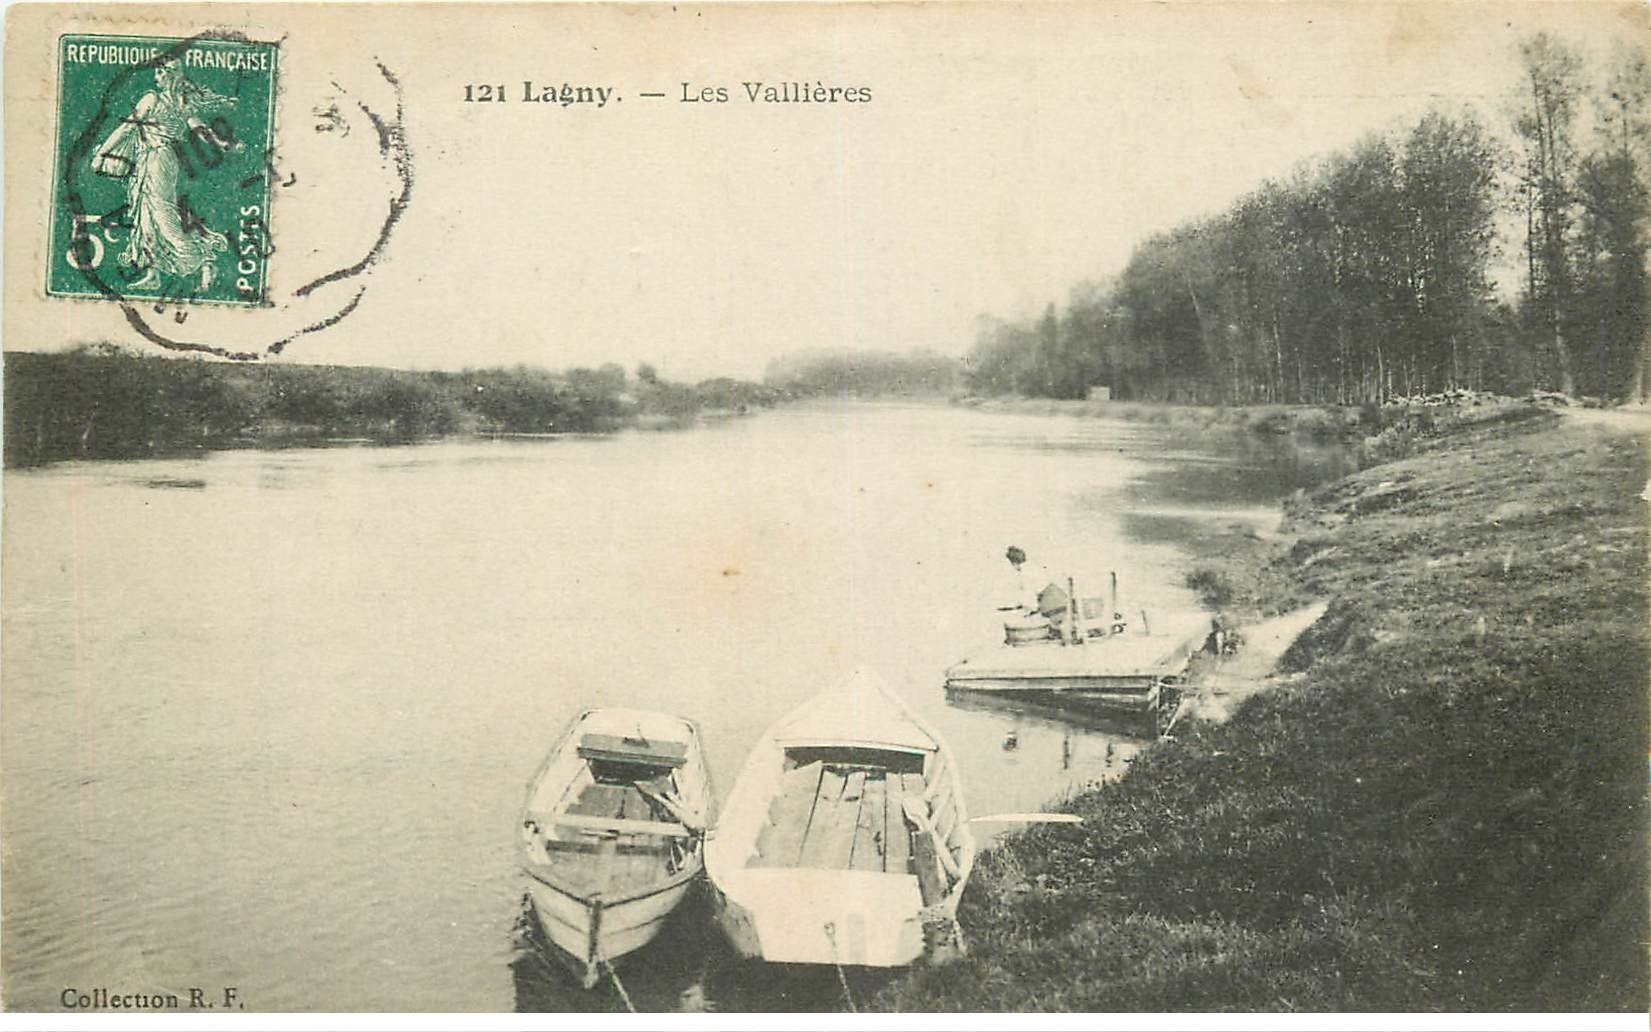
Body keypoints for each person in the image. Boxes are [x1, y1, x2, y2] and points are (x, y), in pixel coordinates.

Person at [93, 61, 240, 291]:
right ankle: (152, 273)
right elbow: (201, 130)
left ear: (173, 76)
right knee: (146, 217)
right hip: (155, 159)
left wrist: (103, 152)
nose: (157, 76)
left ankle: (204, 260)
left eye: (162, 72)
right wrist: (221, 143)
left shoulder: (153, 99)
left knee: (162, 215)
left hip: (157, 161)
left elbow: (127, 128)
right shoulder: (181, 103)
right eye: (157, 71)